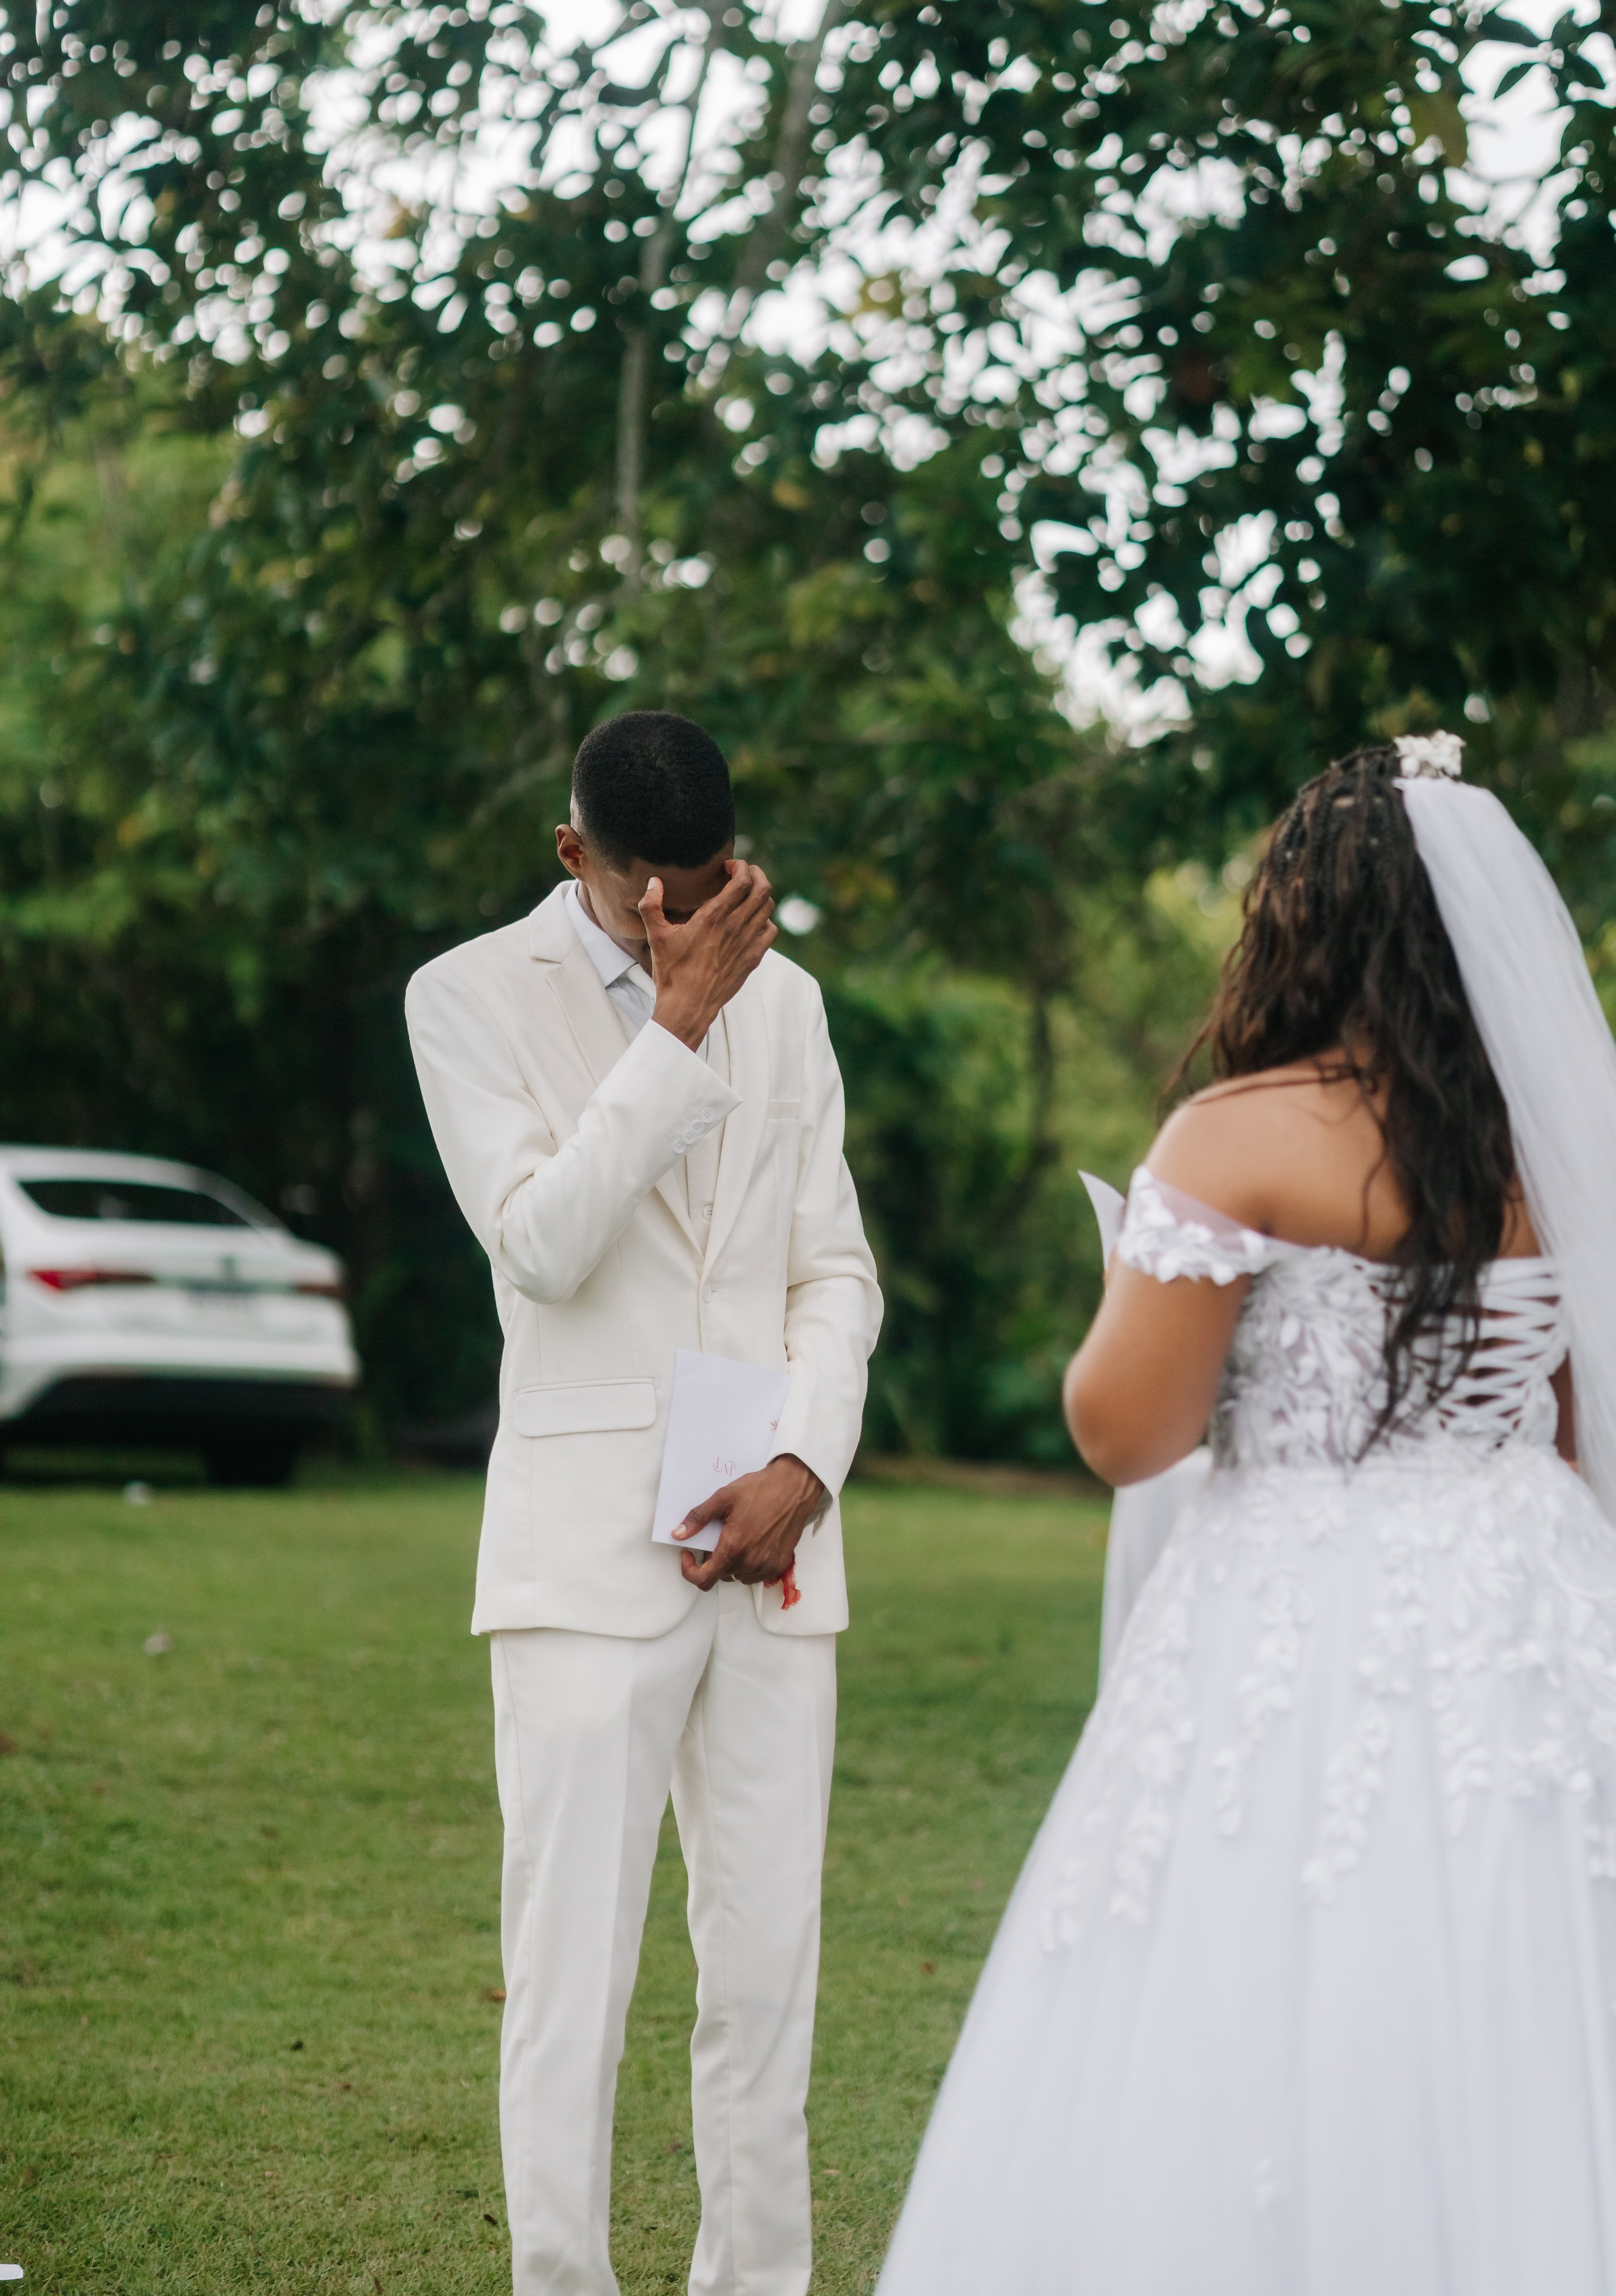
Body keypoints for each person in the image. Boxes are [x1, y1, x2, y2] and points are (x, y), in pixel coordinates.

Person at [876, 736, 1616, 2295]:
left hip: (1301, 1590)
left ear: (1303, 919)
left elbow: (1125, 1429)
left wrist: (1136, 1290)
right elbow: (1558, 1414)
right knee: (1523, 1971)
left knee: (1269, 1962)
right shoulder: (1543, 1148)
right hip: (1529, 1589)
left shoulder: (1239, 1131)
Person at [405, 710, 882, 2296]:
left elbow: (832, 1266)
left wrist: (807, 1466)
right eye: (644, 899)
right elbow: (540, 1245)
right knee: (573, 1978)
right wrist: (673, 1027)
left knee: (765, 1978)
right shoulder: (468, 996)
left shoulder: (796, 1006)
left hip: (768, 1541)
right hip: (582, 1553)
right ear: (574, 859)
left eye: (709, 888)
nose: (681, 924)